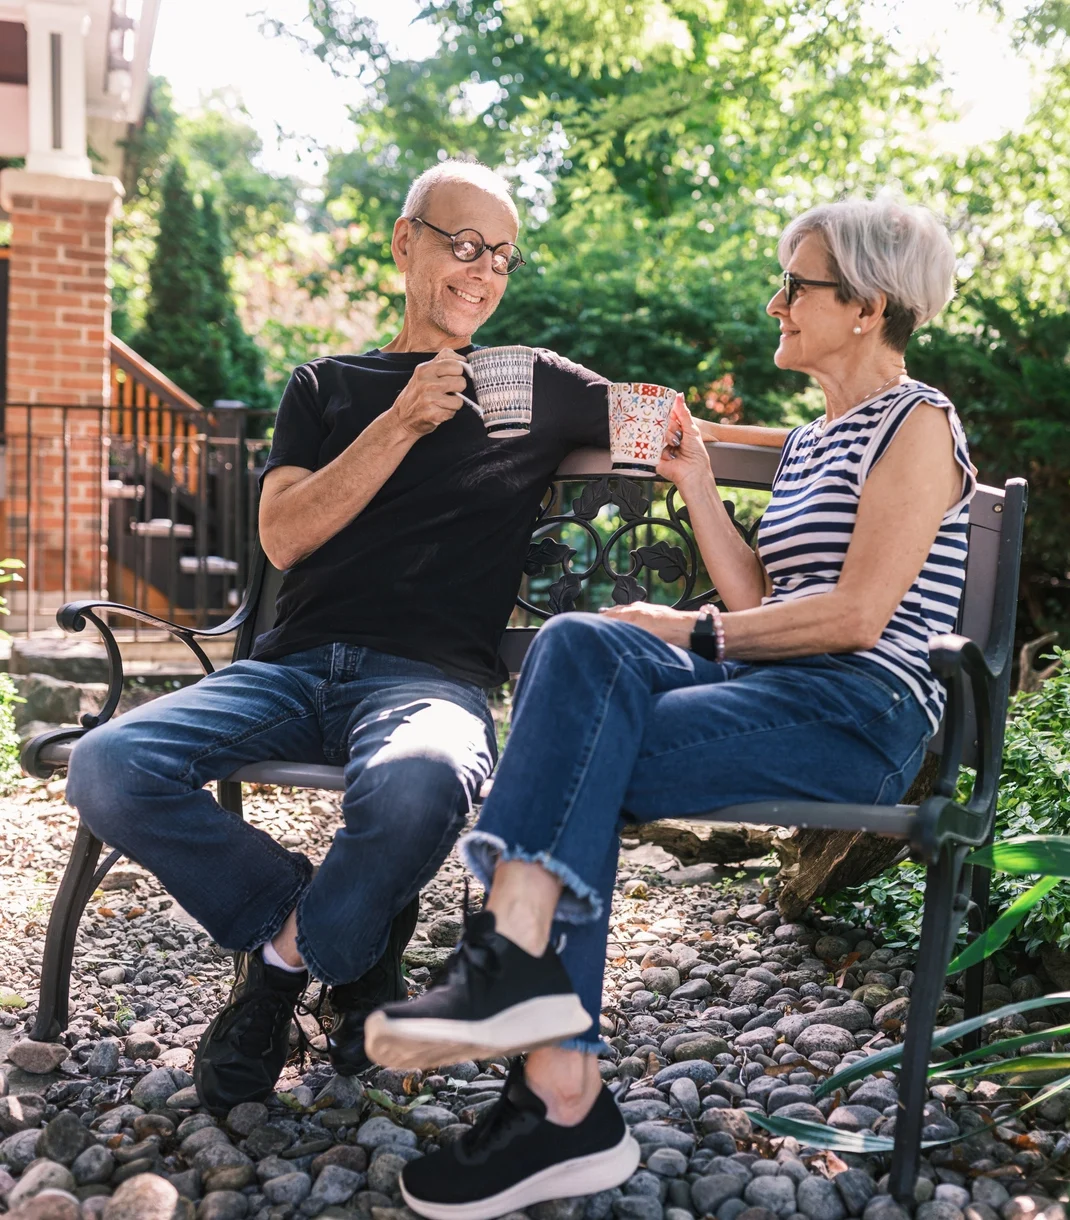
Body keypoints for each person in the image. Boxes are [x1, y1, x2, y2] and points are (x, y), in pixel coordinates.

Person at [363, 195, 975, 1219]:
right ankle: (535, 1029)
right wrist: (695, 481)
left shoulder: (918, 424)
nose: (775, 301)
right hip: (781, 688)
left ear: (866, 305)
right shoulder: (817, 434)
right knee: (576, 642)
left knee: (575, 755)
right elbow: (757, 601)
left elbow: (859, 614)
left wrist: (687, 632)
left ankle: (553, 1081)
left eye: (798, 284)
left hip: (856, 718)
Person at [64, 159, 615, 1113]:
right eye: (463, 245)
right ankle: (346, 934)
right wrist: (399, 424)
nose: (483, 272)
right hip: (290, 673)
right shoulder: (326, 385)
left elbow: (676, 427)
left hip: (427, 685)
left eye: (504, 256)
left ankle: (278, 976)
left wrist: (857, 418)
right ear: (406, 243)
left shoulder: (534, 383)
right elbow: (284, 535)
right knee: (106, 766)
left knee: (427, 784)